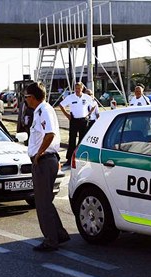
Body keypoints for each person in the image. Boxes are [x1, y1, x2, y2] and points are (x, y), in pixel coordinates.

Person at [25, 82, 70, 252]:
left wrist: (39, 153)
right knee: (45, 201)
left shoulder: (43, 110)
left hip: (44, 161)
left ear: (33, 97)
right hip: (46, 160)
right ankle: (59, 233)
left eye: (26, 97)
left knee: (42, 203)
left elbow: (49, 134)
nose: (25, 100)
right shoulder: (41, 110)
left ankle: (51, 240)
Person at [58, 82, 95, 166]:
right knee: (72, 140)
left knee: (82, 140)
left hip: (83, 121)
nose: (77, 90)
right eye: (76, 88)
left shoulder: (86, 97)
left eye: (79, 88)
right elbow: (61, 105)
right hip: (74, 120)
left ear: (82, 89)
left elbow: (93, 105)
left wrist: (88, 114)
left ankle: (80, 157)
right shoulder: (70, 97)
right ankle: (69, 159)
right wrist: (67, 115)